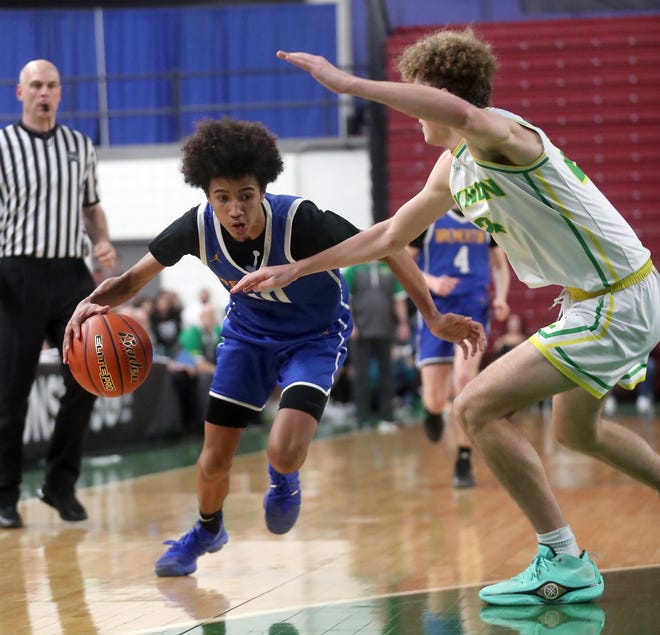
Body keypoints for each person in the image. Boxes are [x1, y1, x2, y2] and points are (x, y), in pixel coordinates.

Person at [232, 29, 660, 605]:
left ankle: (563, 559)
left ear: (434, 94)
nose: (411, 112)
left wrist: (348, 83)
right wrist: (297, 268)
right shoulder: (452, 165)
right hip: (599, 298)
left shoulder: (504, 135)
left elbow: (460, 110)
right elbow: (388, 235)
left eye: (414, 95)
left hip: (617, 300)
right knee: (574, 430)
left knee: (475, 407)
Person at [63, 117, 483, 577]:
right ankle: (207, 531)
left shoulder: (302, 220)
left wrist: (433, 317)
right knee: (213, 459)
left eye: (245, 195)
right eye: (222, 198)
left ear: (262, 189)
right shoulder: (196, 228)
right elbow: (129, 281)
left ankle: (284, 480)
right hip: (247, 338)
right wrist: (87, 303)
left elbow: (392, 247)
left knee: (282, 449)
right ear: (207, 196)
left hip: (315, 339)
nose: (235, 210)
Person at [0, 59, 117, 529]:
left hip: (71, 274)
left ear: (60, 92)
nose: (43, 92)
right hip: (15, 274)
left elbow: (92, 208)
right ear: (19, 92)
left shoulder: (79, 146)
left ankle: (59, 484)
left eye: (51, 84)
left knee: (88, 377)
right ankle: (5, 493)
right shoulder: (3, 146)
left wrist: (103, 240)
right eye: (35, 85)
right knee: (10, 389)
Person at [408, 208, 510, 487]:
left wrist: (500, 297)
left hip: (474, 307)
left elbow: (500, 265)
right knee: (436, 397)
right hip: (436, 309)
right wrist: (432, 282)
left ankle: (464, 459)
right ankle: (431, 411)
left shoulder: (485, 217)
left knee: (464, 381)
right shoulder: (427, 217)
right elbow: (404, 261)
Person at [343, 260, 410, 429]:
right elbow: (346, 299)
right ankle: (362, 418)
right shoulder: (353, 269)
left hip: (385, 329)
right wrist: (351, 324)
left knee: (387, 374)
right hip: (361, 331)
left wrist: (403, 323)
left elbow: (398, 299)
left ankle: (387, 416)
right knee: (361, 376)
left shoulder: (390, 267)